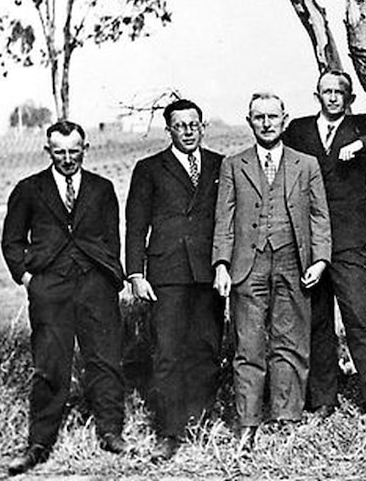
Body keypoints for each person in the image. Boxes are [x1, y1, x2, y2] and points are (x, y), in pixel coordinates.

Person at [1, 121, 127, 475]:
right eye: (60, 152)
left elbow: (111, 238)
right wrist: (28, 279)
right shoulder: (29, 189)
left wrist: (109, 277)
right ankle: (39, 443)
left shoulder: (102, 189)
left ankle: (110, 431)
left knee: (104, 360)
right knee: (50, 365)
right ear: (48, 151)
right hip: (49, 289)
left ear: (86, 148)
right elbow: (12, 241)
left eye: (75, 151)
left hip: (95, 287)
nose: (68, 158)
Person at [212, 92, 331, 449]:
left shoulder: (306, 164)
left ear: (284, 119)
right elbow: (224, 220)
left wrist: (321, 260)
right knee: (248, 345)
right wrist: (221, 264)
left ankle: (286, 417)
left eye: (272, 116)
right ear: (249, 121)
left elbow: (319, 216)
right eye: (259, 117)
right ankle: (248, 421)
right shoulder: (234, 165)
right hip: (248, 265)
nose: (266, 123)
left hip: (294, 262)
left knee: (291, 341)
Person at [283, 69, 366, 419]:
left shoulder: (361, 124)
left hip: (348, 240)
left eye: (339, 92)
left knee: (361, 317)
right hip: (309, 241)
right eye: (326, 91)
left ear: (350, 98)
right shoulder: (299, 130)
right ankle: (322, 401)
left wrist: (362, 145)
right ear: (317, 96)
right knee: (317, 321)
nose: (332, 97)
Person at [125, 99, 224, 461]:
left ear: (202, 126)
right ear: (169, 129)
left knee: (207, 350)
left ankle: (199, 423)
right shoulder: (149, 168)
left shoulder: (219, 165)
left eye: (193, 124)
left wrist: (225, 266)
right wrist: (135, 273)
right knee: (167, 353)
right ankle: (169, 432)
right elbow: (136, 224)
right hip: (166, 275)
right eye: (179, 125)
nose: (187, 131)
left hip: (209, 274)